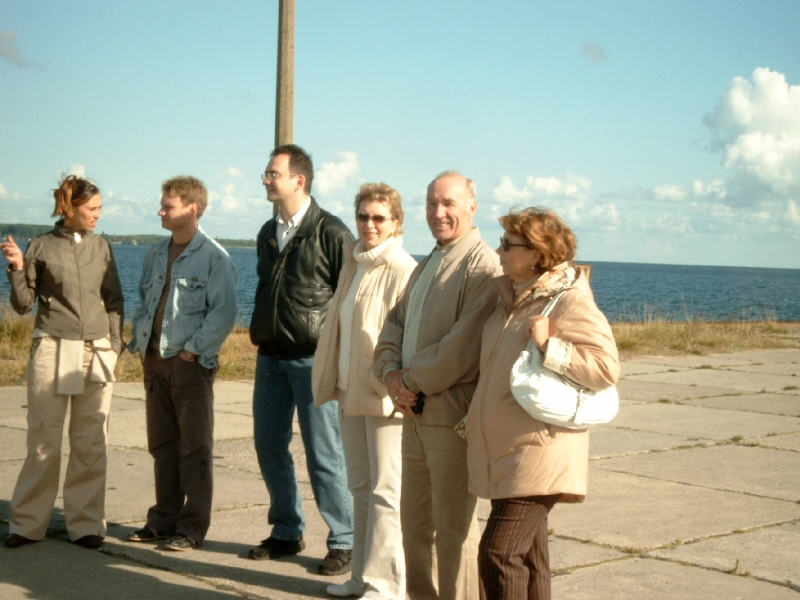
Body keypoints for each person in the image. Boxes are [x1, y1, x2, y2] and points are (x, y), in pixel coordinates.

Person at [465, 208, 620, 600]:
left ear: (536, 253)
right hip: (510, 449)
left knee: (499, 553)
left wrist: (550, 346)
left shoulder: (568, 300)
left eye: (507, 245)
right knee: (531, 558)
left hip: (540, 449)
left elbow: (605, 368)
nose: (498, 252)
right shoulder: (515, 297)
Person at [372, 171, 501, 600]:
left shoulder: (482, 267)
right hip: (414, 413)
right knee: (413, 527)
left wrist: (407, 379)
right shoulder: (428, 263)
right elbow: (393, 326)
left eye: (448, 203)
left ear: (472, 207)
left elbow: (459, 352)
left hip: (451, 420)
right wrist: (390, 375)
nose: (438, 212)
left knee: (453, 532)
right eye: (431, 203)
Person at [249, 144, 355, 576]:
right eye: (267, 173)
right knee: (269, 446)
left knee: (324, 453)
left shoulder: (331, 232)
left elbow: (349, 297)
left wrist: (340, 357)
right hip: (270, 358)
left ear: (299, 180)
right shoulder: (267, 231)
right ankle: (286, 530)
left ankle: (344, 539)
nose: (266, 179)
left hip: (313, 360)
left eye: (273, 173)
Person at [2, 175, 124, 550]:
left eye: (100, 208)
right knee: (44, 441)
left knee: (91, 442)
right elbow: (23, 305)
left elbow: (114, 299)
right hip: (52, 347)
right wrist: (17, 267)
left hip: (96, 352)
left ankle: (86, 524)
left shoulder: (102, 246)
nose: (98, 215)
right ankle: (27, 523)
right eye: (92, 209)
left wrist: (114, 345)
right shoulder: (40, 245)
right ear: (70, 208)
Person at [313, 183, 417, 599]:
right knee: (359, 487)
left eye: (379, 218)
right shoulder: (353, 263)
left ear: (396, 223)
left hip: (384, 397)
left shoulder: (403, 269)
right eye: (363, 216)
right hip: (349, 390)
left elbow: (404, 339)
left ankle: (388, 586)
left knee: (386, 492)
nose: (369, 225)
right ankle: (361, 577)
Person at [126, 176, 237, 551]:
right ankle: (162, 520)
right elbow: (143, 302)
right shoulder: (155, 254)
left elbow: (224, 312)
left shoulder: (215, 257)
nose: (160, 211)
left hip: (189, 366)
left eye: (167, 206)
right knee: (162, 446)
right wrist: (141, 342)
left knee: (195, 450)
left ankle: (191, 528)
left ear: (192, 208)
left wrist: (192, 352)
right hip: (154, 362)